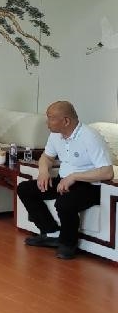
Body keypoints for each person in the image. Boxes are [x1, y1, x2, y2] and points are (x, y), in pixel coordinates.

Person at [17, 101, 113, 260]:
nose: (47, 123)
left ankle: (68, 244)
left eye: (51, 118)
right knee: (25, 189)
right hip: (63, 181)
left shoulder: (90, 137)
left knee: (64, 203)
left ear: (66, 121)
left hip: (90, 186)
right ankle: (51, 233)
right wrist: (43, 172)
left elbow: (107, 172)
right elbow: (47, 157)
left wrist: (74, 176)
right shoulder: (56, 135)